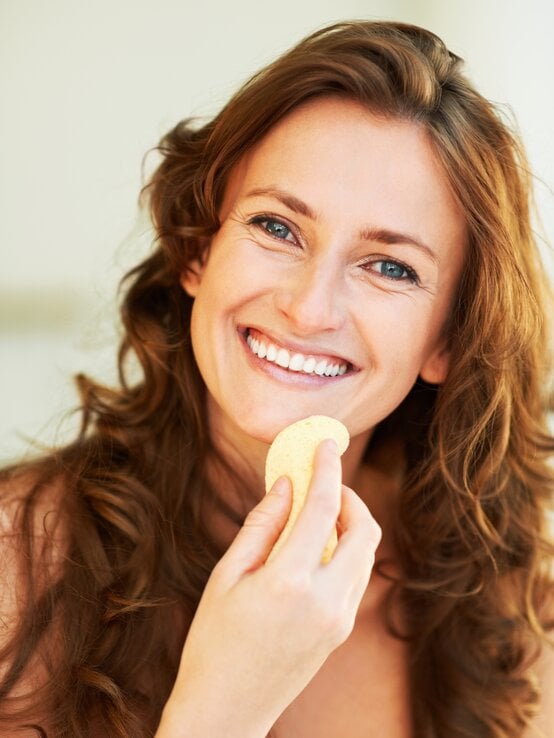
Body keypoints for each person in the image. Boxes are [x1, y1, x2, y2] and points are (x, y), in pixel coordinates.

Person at [1, 19, 552, 738]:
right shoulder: (21, 560)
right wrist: (221, 708)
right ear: (199, 248)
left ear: (446, 341)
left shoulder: (505, 606)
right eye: (277, 228)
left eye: (390, 266)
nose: (308, 306)